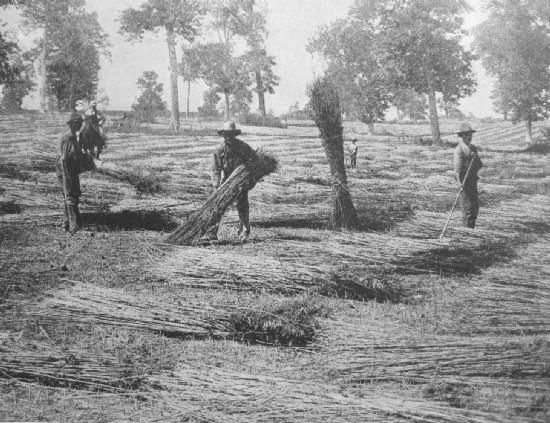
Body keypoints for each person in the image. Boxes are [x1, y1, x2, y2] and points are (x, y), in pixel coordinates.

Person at [208, 121, 258, 241]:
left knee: (243, 206)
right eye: (226, 135)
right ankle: (212, 232)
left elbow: (255, 160)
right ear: (223, 135)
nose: (228, 137)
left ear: (234, 135)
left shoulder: (243, 147)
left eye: (231, 135)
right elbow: (215, 169)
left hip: (241, 181)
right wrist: (216, 186)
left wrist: (250, 179)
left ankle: (244, 232)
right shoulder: (220, 150)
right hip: (226, 182)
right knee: (218, 205)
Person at [56, 114, 96, 233]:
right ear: (72, 124)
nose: (80, 126)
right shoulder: (68, 138)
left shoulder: (70, 136)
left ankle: (66, 224)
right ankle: (74, 227)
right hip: (66, 170)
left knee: (69, 196)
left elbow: (74, 155)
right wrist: (87, 162)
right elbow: (66, 158)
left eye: (80, 124)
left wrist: (86, 161)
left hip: (66, 169)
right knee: (71, 196)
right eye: (78, 124)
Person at [454, 123, 483, 228]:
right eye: (466, 135)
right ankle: (466, 231)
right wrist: (459, 184)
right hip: (464, 183)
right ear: (462, 136)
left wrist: (475, 159)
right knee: (467, 208)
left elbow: (479, 165)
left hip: (473, 181)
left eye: (470, 134)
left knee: (475, 207)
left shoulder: (473, 148)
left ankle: (471, 229)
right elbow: (457, 170)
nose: (469, 137)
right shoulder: (459, 150)